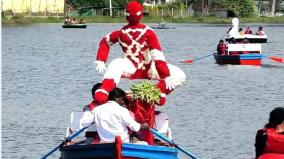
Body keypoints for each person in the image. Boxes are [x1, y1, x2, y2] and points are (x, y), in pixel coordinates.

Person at [93, 1, 186, 106]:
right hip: (148, 68)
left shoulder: (121, 33)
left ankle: (104, 92)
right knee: (179, 75)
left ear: (126, 15)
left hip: (130, 66)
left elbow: (105, 41)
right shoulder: (148, 32)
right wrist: (166, 75)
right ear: (141, 15)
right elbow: (158, 56)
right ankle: (157, 93)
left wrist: (101, 59)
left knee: (115, 64)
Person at [83, 87, 150, 143]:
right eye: (122, 99)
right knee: (145, 145)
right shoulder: (122, 110)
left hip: (105, 144)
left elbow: (85, 123)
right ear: (116, 98)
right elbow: (135, 127)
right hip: (123, 143)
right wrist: (145, 126)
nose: (123, 102)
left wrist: (88, 113)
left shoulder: (97, 109)